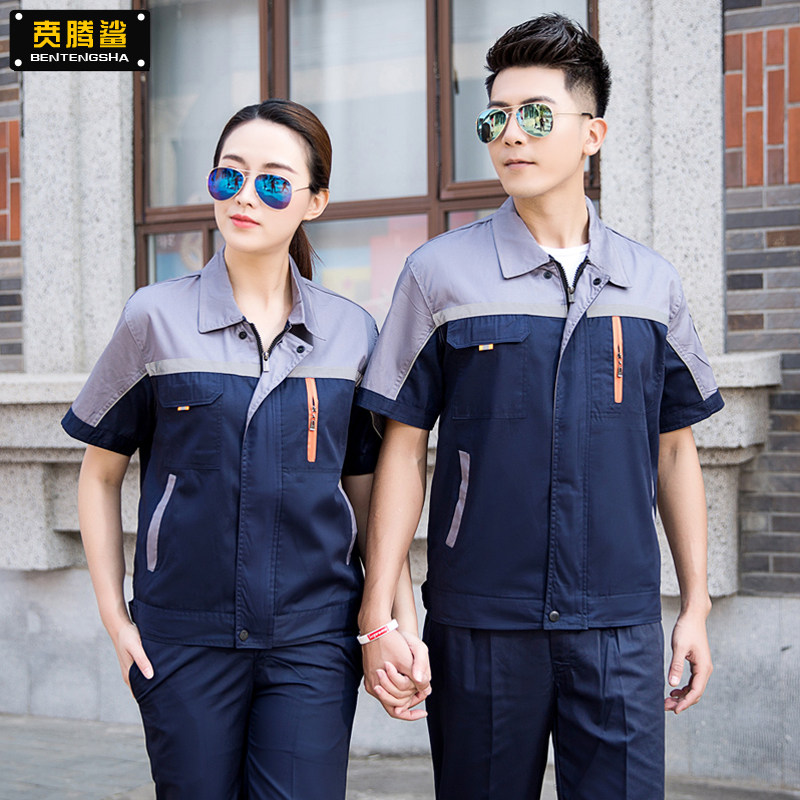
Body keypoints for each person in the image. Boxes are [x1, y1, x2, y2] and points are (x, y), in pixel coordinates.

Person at [356, 14, 723, 800]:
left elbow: (675, 450)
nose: (511, 135)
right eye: (495, 118)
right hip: (480, 621)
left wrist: (695, 605)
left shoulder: (651, 283)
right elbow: (402, 447)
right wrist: (379, 613)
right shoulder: (438, 275)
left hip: (618, 624)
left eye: (535, 115)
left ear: (592, 134)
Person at [61, 98, 424, 800]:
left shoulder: (351, 333)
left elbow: (368, 495)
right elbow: (99, 475)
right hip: (183, 637)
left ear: (315, 202)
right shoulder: (154, 318)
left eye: (273, 183)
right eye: (229, 176)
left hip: (312, 639)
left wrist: (392, 619)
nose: (245, 196)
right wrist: (116, 618)